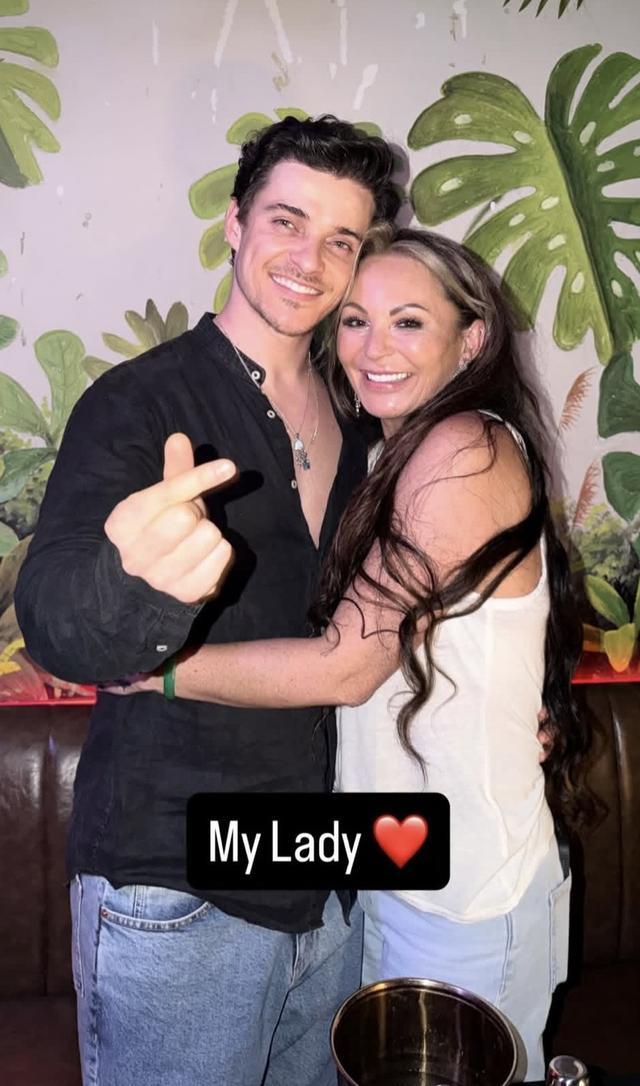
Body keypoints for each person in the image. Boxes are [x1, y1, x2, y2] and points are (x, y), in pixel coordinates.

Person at [111, 225, 594, 1081]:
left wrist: (159, 671)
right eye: (355, 321)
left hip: (464, 893)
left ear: (471, 338)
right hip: (390, 855)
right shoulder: (386, 451)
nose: (374, 350)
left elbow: (345, 664)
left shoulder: (463, 446)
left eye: (409, 322)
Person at [14, 115, 401, 1086]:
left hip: (327, 874)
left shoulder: (364, 421)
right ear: (235, 223)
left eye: (342, 240)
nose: (309, 260)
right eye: (286, 222)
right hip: (177, 881)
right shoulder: (140, 403)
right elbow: (55, 621)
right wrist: (133, 588)